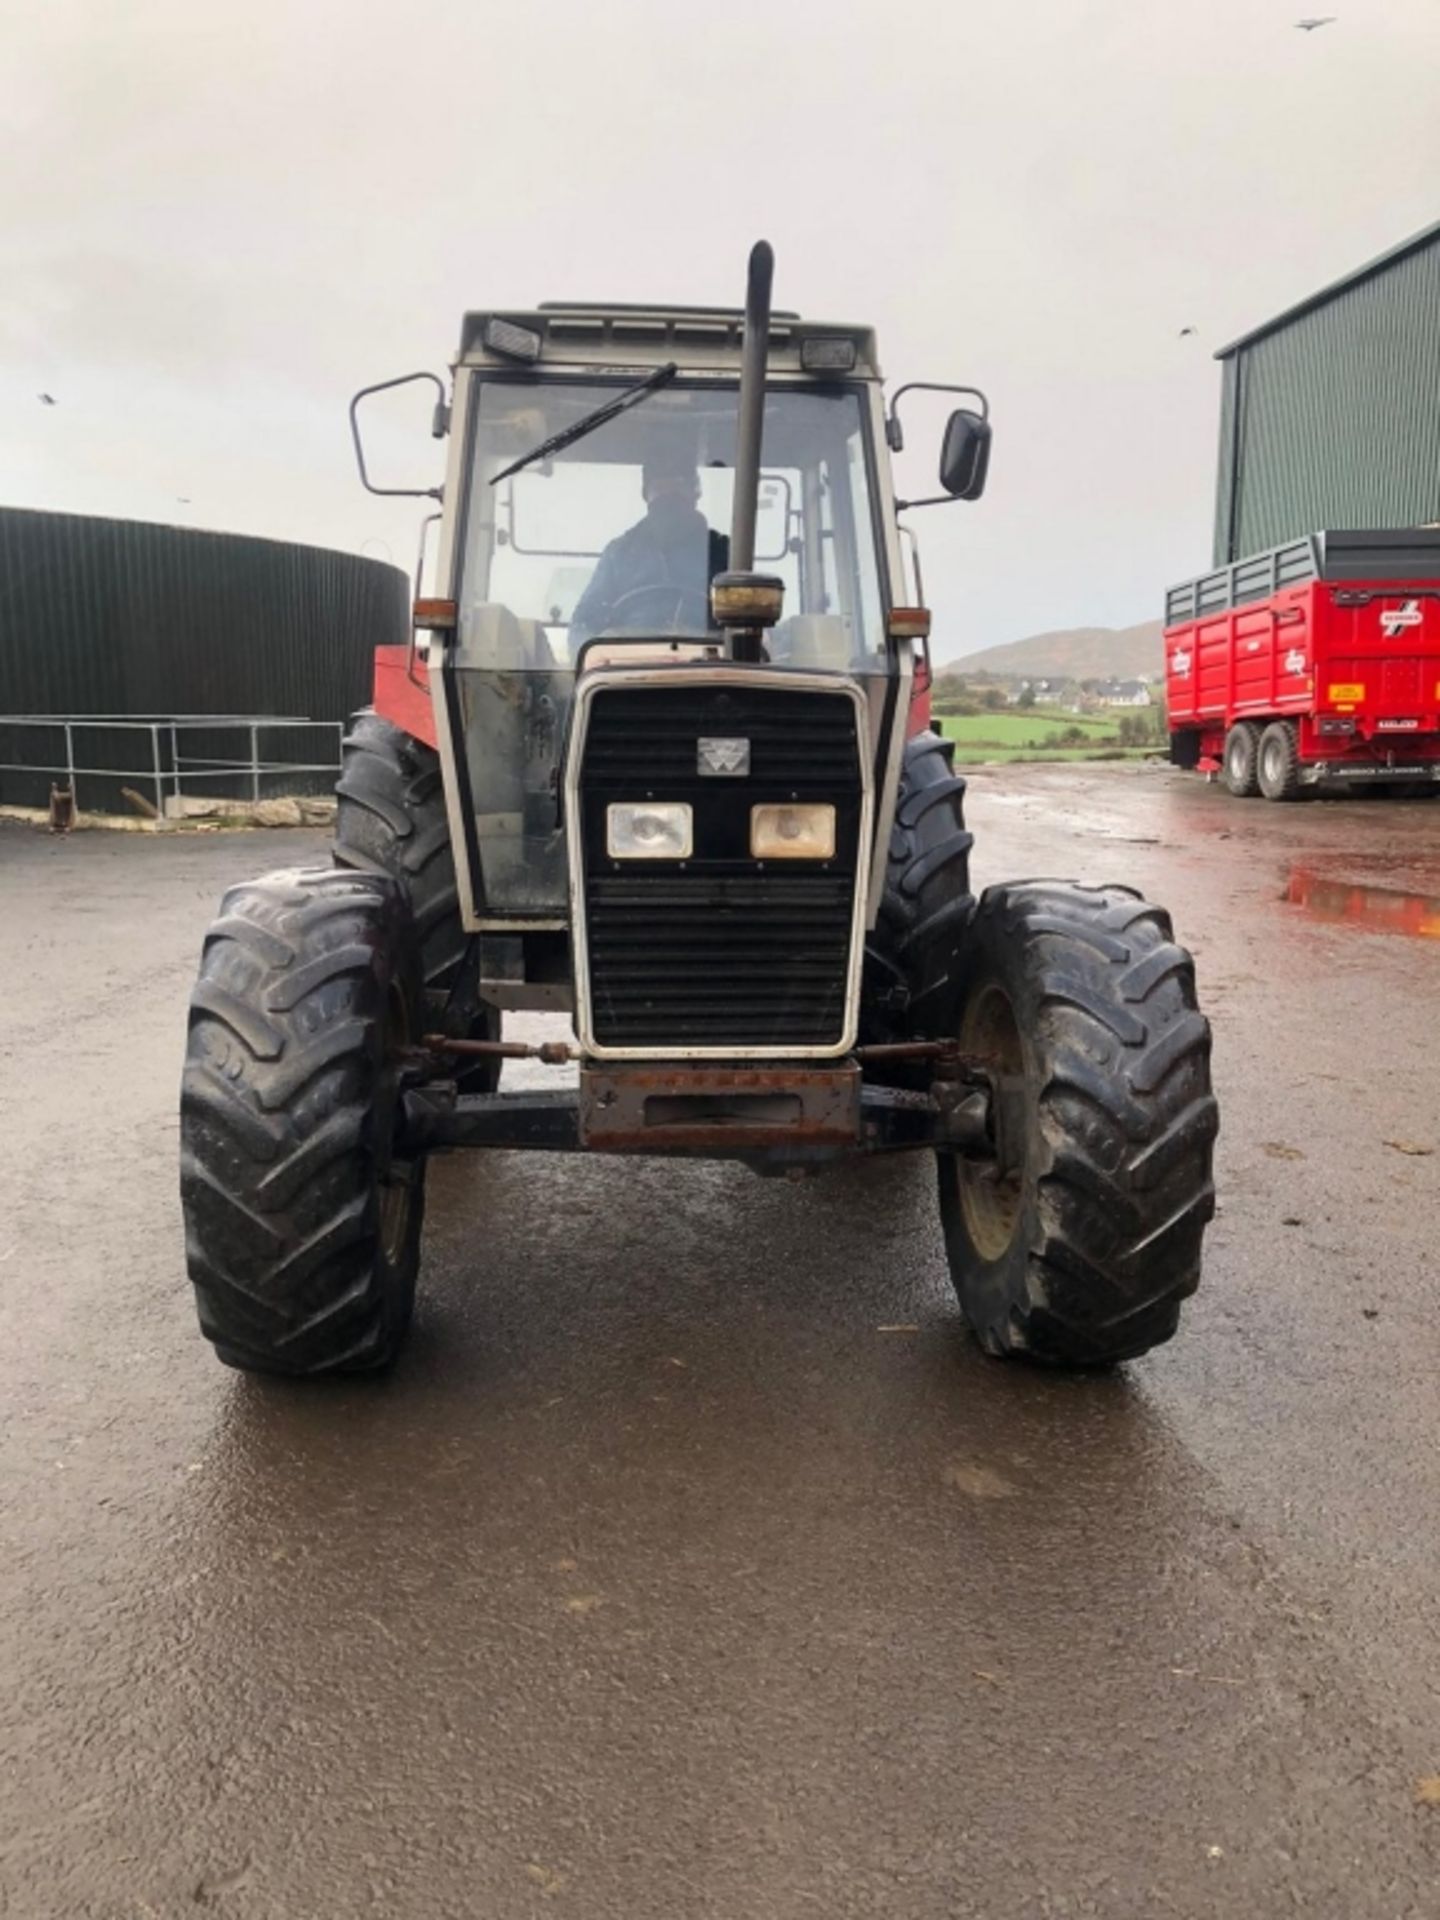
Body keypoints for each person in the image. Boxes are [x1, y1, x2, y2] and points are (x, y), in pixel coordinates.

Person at [569, 447, 728, 645]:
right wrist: (594, 656)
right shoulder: (619, 554)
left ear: (695, 492)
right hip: (626, 667)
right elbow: (583, 624)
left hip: (711, 666)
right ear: (646, 494)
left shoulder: (724, 553)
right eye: (660, 488)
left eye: (678, 486)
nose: (669, 496)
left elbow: (748, 619)